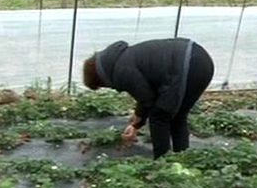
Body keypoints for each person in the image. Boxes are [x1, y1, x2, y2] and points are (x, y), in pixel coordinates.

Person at [83, 38, 214, 159]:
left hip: (188, 65)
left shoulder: (121, 71)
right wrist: (137, 122)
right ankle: (182, 158)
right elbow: (147, 95)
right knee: (177, 116)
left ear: (100, 79)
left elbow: (147, 98)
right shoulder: (121, 58)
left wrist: (138, 121)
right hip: (200, 60)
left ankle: (162, 163)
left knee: (159, 116)